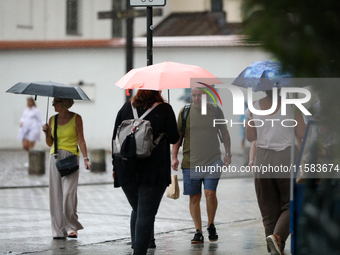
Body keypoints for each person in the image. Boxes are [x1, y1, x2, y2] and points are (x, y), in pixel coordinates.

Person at [111, 90, 180, 255]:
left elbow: (115, 137)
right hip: (153, 169)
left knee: (137, 209)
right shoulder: (164, 109)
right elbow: (173, 137)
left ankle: (137, 247)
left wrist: (115, 167)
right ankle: (139, 252)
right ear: (158, 91)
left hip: (125, 167)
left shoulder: (126, 107)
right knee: (146, 212)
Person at [245, 89, 305, 255]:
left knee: (268, 208)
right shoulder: (293, 106)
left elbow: (250, 136)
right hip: (286, 155)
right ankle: (277, 237)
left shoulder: (253, 107)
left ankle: (273, 249)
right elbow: (302, 132)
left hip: (262, 157)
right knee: (290, 203)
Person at [171, 87, 232, 244]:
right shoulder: (185, 112)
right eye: (194, 95)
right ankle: (198, 231)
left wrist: (228, 153)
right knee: (195, 197)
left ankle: (210, 224)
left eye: (199, 95)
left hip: (212, 160)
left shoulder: (215, 110)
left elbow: (224, 132)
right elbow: (178, 136)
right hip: (190, 162)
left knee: (210, 193)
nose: (196, 98)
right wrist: (174, 157)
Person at [42, 98, 91, 239]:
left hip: (71, 157)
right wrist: (46, 133)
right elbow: (49, 143)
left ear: (63, 103)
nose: (53, 105)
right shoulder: (52, 119)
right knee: (55, 195)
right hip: (55, 157)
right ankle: (58, 230)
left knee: (69, 194)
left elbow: (81, 140)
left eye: (55, 102)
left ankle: (71, 226)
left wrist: (86, 158)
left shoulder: (76, 118)